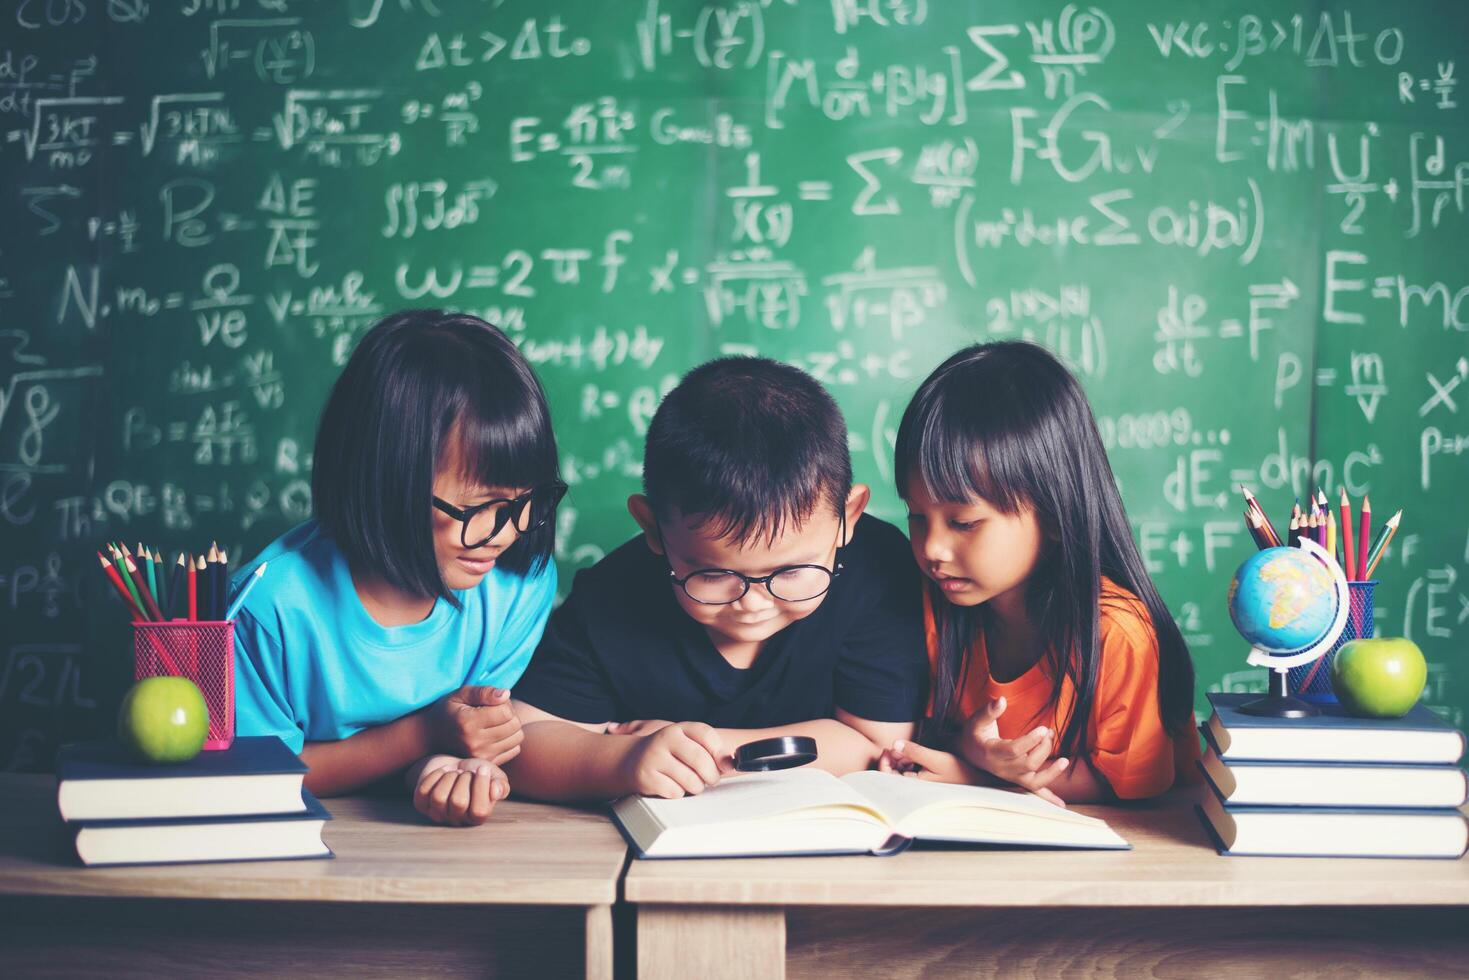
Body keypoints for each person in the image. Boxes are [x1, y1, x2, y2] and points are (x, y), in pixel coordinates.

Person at [506, 357, 929, 802]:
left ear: (848, 518)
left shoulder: (877, 571)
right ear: (653, 529)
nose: (754, 603)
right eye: (713, 574)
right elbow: (522, 744)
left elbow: (879, 748)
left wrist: (700, 751)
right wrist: (624, 761)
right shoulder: (611, 598)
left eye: (792, 572)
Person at [231, 310, 564, 825]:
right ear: (385, 482)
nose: (509, 532)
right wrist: (425, 734)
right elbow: (256, 778)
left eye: (525, 503)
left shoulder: (517, 584)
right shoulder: (266, 608)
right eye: (479, 507)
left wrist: (451, 766)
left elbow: (475, 740)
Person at [882, 342, 1198, 804]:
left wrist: (976, 778)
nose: (932, 549)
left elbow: (1130, 788)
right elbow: (940, 737)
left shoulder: (1117, 632)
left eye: (963, 523)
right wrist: (965, 747)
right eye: (916, 517)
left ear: (1051, 514)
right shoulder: (938, 606)